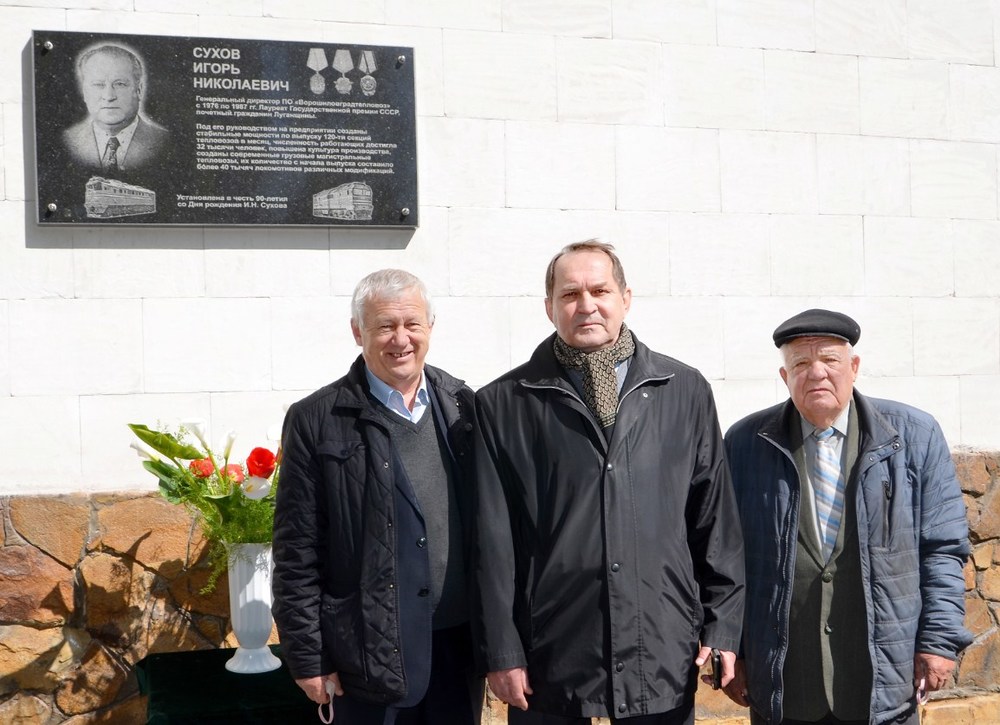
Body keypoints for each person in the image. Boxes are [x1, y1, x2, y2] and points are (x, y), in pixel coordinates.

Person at [472, 240, 745, 724]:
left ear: (625, 298)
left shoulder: (683, 390)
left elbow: (714, 521)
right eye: (570, 294)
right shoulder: (503, 403)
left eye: (599, 290)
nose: (586, 305)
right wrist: (501, 650)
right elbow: (492, 543)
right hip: (550, 653)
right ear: (549, 307)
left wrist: (723, 624)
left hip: (660, 645)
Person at [723, 309, 973, 725]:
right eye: (801, 363)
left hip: (882, 679)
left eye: (830, 360)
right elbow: (726, 558)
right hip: (785, 683)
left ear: (854, 367)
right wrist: (734, 648)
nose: (816, 372)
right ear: (785, 377)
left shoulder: (914, 436)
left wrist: (937, 640)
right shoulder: (746, 443)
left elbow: (942, 549)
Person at [272, 269, 484, 725]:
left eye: (412, 324)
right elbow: (296, 552)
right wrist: (308, 657)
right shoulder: (317, 420)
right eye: (385, 325)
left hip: (457, 648)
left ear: (430, 327)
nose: (400, 339)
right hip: (367, 654)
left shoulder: (463, 405)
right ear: (358, 332)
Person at [62, 44, 169, 173]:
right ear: (85, 92)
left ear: (139, 90)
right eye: (98, 84)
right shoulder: (66, 141)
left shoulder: (166, 142)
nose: (109, 96)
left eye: (120, 84)